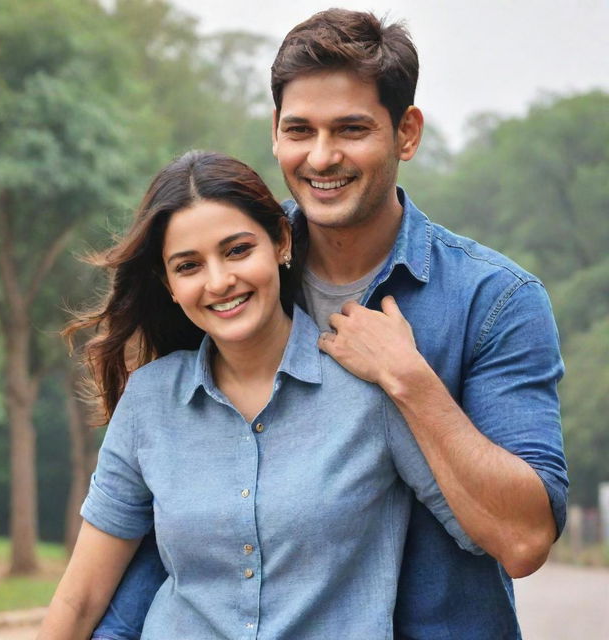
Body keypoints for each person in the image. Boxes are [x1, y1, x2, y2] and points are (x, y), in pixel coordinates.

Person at [91, 9, 568, 640]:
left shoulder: (496, 300)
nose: (321, 156)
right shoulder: (233, 274)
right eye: (300, 130)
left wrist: (410, 381)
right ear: (275, 133)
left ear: (406, 133)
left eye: (351, 128)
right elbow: (158, 514)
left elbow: (525, 538)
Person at [38, 150, 477, 639]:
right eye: (188, 266)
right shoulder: (149, 399)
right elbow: (80, 599)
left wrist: (414, 382)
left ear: (281, 241)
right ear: (169, 284)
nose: (220, 281)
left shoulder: (368, 384)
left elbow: (481, 531)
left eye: (237, 250)